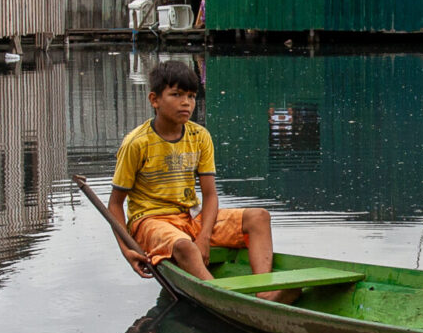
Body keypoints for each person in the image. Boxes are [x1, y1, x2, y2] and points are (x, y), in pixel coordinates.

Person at [107, 59, 291, 299]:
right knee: (185, 245)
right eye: (176, 94)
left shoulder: (199, 136)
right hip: (151, 222)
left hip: (189, 218)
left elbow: (210, 195)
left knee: (259, 217)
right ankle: (222, 296)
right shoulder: (137, 143)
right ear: (155, 100)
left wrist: (204, 236)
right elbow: (115, 204)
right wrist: (126, 250)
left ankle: (264, 290)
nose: (186, 103)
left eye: (192, 96)